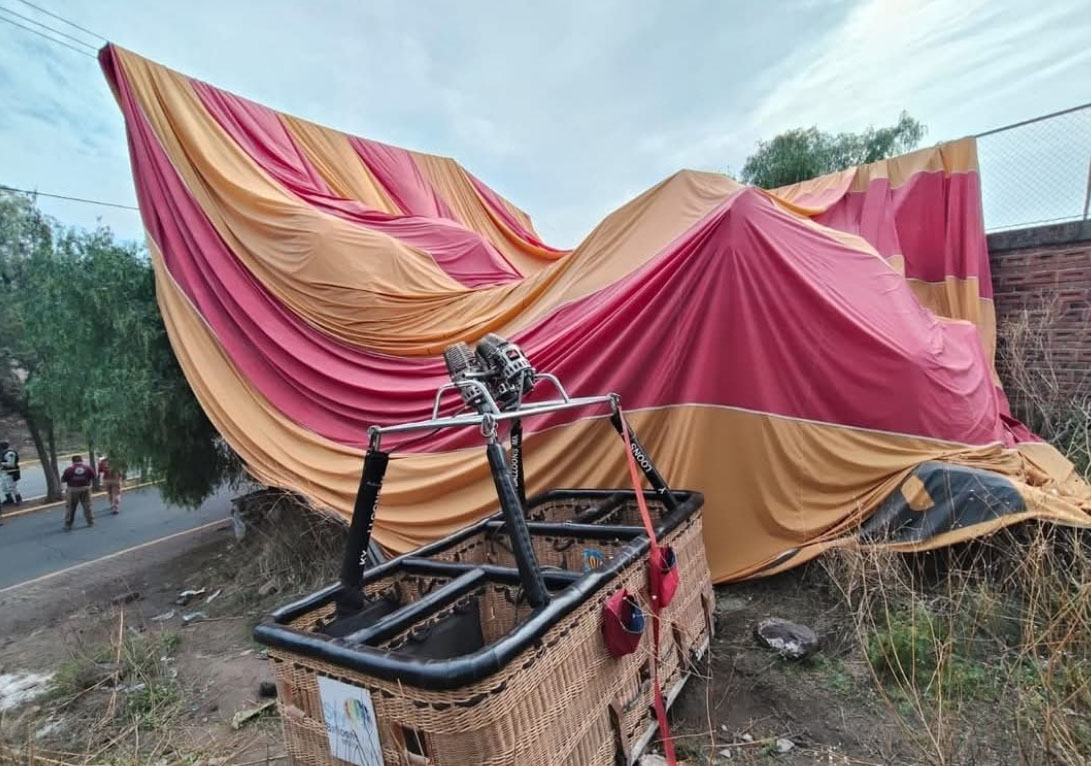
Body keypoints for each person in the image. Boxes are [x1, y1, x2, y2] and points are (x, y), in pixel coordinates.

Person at [61, 454, 96, 531]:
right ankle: (90, 522)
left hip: (72, 490)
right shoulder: (88, 468)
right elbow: (93, 477)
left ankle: (68, 524)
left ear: (72, 462)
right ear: (82, 460)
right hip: (85, 489)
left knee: (70, 507)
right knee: (87, 505)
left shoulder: (68, 470)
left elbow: (63, 480)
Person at [1, 440, 21, 514]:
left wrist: (2, 464)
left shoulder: (10, 453)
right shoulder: (3, 453)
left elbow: (11, 464)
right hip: (4, 472)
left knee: (11, 487)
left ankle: (17, 500)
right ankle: (9, 499)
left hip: (11, 472)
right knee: (4, 487)